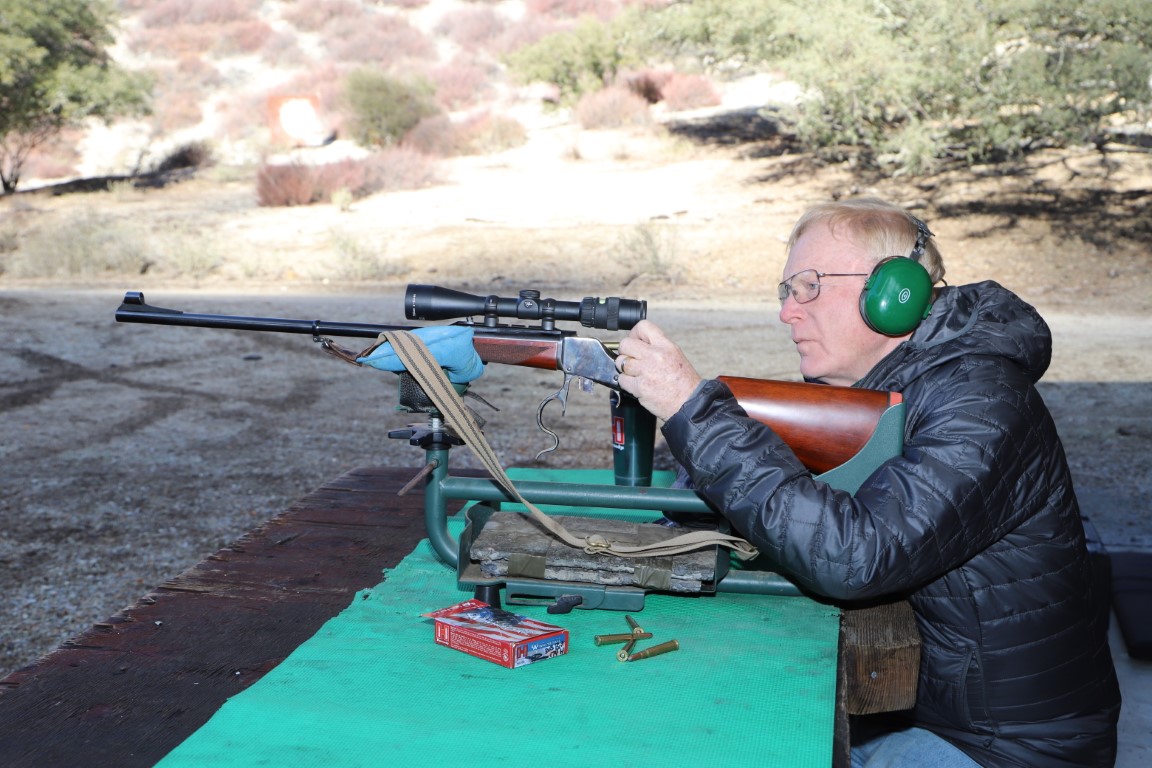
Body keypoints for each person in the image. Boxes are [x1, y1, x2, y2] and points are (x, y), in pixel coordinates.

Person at [614, 197, 1121, 767]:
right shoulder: (898, 389)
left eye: (809, 286)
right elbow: (799, 497)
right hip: (937, 714)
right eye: (787, 291)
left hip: (1009, 750)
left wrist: (695, 411)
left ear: (893, 295)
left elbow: (854, 556)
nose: (788, 312)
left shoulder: (982, 402)